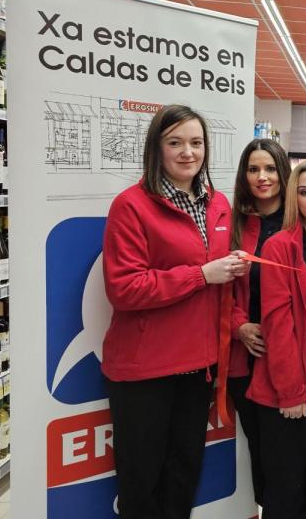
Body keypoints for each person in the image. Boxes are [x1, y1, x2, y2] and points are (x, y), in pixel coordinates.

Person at [102, 104, 247, 519]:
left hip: (198, 368)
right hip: (145, 370)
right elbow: (124, 288)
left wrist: (232, 266)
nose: (188, 152)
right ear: (157, 148)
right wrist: (202, 275)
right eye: (176, 143)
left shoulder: (218, 203)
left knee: (183, 476)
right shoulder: (132, 205)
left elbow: (218, 276)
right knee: (140, 484)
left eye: (196, 142)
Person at [247, 159, 306, 519]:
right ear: (294, 198)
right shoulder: (279, 247)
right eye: (304, 192)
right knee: (285, 485)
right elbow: (277, 324)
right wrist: (291, 391)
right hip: (285, 380)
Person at [227, 139, 292, 507]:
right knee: (259, 448)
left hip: (289, 356)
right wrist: (239, 327)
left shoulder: (300, 220)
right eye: (254, 169)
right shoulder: (234, 222)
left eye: (269, 168)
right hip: (248, 355)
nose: (262, 177)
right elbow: (222, 291)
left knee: (285, 453)